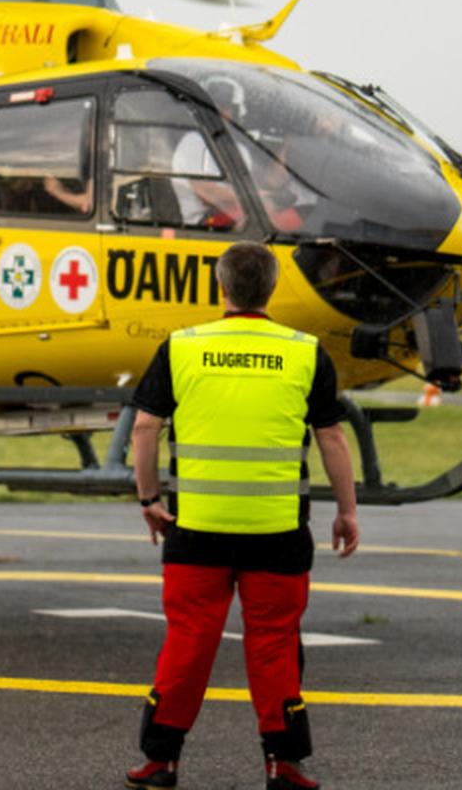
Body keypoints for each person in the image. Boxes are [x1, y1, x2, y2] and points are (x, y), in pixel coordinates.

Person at [124, 242, 359, 790]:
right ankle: (283, 766)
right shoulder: (304, 351)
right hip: (276, 533)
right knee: (274, 646)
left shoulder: (182, 347)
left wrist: (148, 500)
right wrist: (346, 511)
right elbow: (331, 436)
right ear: (273, 288)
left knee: (188, 642)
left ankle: (160, 763)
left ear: (220, 286)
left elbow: (143, 427)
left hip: (198, 531)